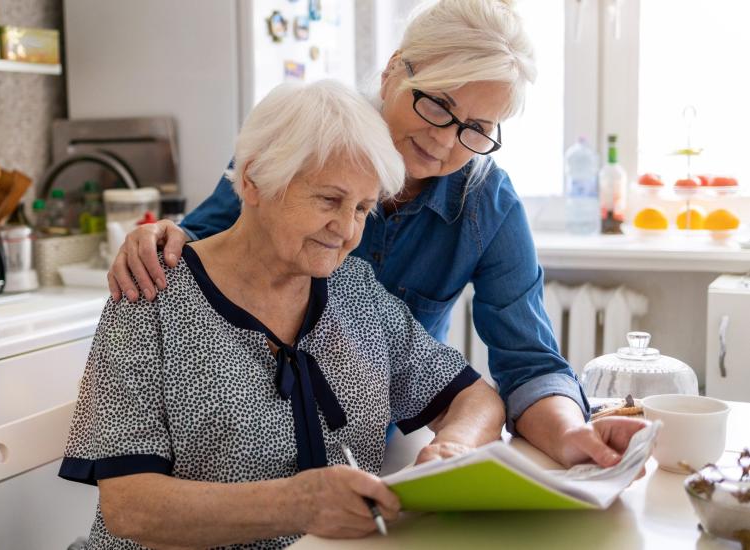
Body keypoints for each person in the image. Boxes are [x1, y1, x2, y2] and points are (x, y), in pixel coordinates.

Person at [108, 0, 646, 471]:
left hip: (367, 444)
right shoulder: (305, 140)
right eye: (437, 104)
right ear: (394, 72)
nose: (444, 140)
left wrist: (574, 436)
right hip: (236, 442)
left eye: (478, 129)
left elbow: (528, 363)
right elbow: (199, 249)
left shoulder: (486, 203)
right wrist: (156, 237)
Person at [60, 79, 506, 549]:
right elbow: (130, 507)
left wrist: (452, 448)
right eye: (329, 200)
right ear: (253, 179)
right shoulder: (152, 294)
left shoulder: (357, 292)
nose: (346, 229)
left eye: (362, 208)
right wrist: (296, 504)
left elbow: (476, 398)